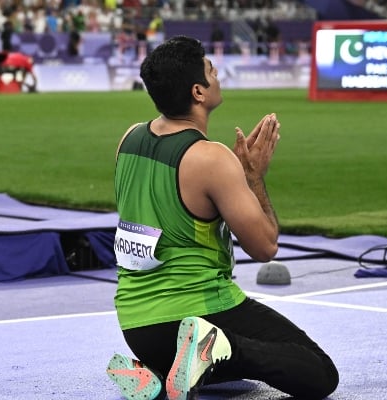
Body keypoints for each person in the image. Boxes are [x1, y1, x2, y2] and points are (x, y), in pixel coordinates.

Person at [105, 35, 339, 400]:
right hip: (199, 313)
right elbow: (265, 247)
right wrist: (253, 178)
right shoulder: (210, 158)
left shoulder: (129, 138)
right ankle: (218, 345)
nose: (218, 76)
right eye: (212, 71)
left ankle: (154, 375)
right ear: (198, 92)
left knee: (213, 372)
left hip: (137, 327)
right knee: (319, 373)